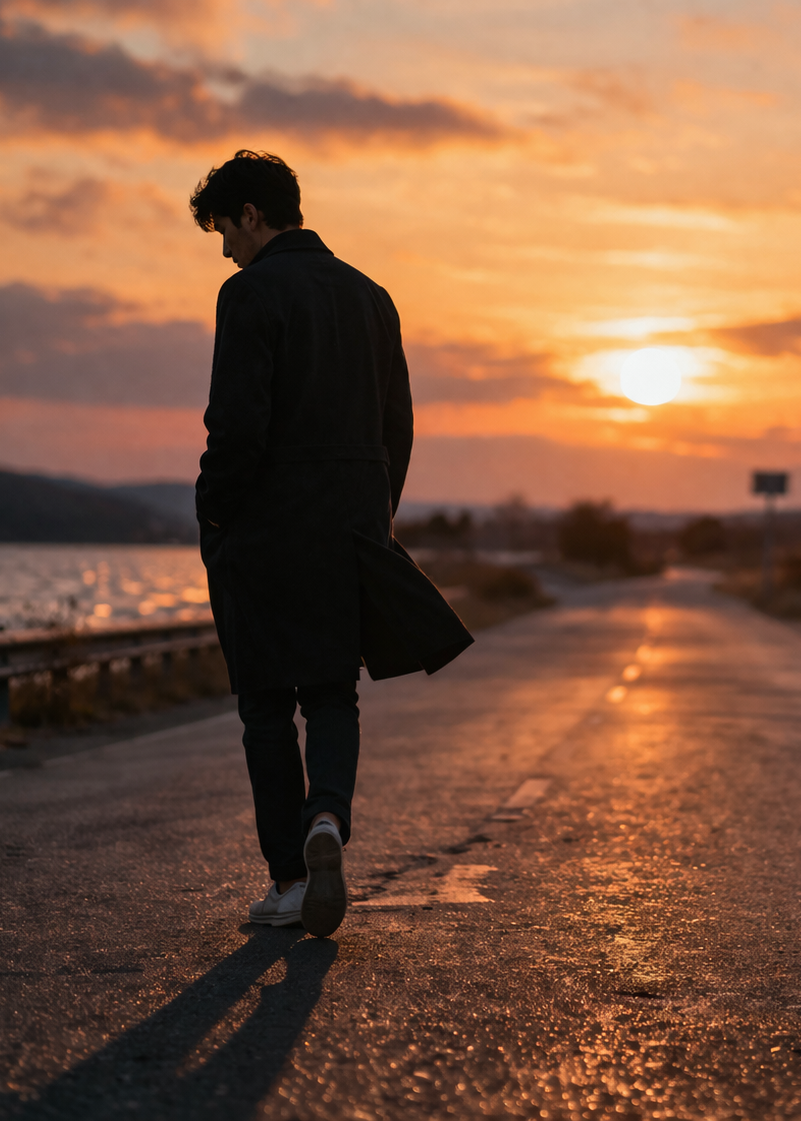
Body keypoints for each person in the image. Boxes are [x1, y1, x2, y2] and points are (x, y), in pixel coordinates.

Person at [190, 150, 473, 938]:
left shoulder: (248, 295)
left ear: (252, 215)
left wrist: (214, 510)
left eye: (223, 228)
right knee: (331, 693)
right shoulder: (372, 297)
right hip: (348, 526)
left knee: (264, 707)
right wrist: (375, 514)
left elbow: (236, 425)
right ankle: (326, 819)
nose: (223, 248)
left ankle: (287, 880)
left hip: (267, 529)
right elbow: (398, 426)